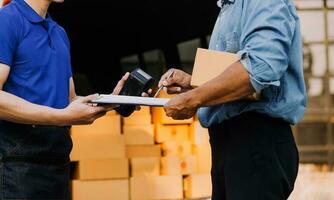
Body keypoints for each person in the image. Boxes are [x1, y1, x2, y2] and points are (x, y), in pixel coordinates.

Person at [0, 0, 149, 199]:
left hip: (58, 159)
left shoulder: (59, 32)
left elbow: (69, 101)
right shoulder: (6, 20)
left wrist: (113, 100)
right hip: (16, 163)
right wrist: (62, 116)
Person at [159, 0, 307, 199]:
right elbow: (234, 71)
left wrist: (194, 98)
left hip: (255, 143)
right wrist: (193, 83)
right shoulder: (229, 7)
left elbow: (260, 67)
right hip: (229, 145)